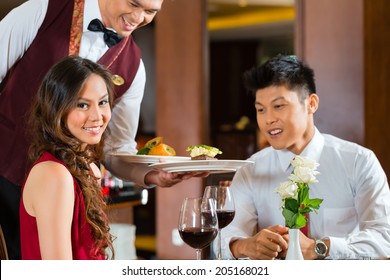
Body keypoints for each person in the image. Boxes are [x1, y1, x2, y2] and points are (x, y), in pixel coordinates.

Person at [0, 0, 204, 259]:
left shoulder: (134, 66)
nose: (138, 17)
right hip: (4, 172)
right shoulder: (44, 10)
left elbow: (117, 149)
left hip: (70, 182)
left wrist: (153, 176)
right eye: (134, 3)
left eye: (150, 12)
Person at [220, 54, 390, 260]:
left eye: (279, 106)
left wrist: (320, 248)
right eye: (260, 110)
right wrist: (245, 246)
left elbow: (384, 239)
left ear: (311, 104)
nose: (268, 119)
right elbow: (224, 238)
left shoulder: (358, 162)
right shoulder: (251, 169)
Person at [20, 56, 114, 259]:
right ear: (57, 109)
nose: (97, 116)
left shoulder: (90, 170)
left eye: (102, 102)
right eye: (82, 105)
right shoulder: (53, 174)